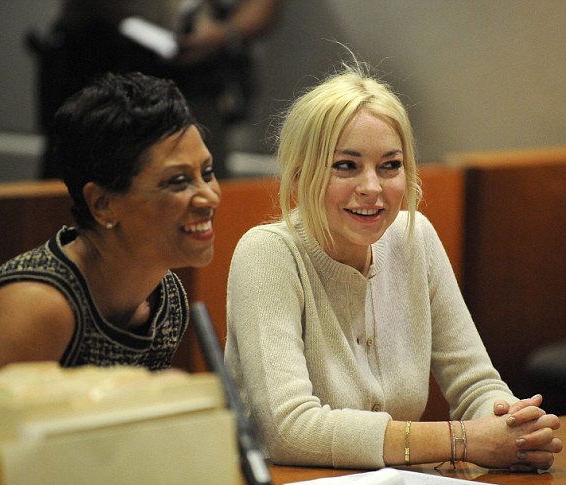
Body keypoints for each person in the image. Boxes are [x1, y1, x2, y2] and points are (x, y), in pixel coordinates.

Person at [224, 61, 562, 471]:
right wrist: (463, 440)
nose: (372, 187)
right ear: (299, 175)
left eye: (390, 165)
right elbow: (288, 429)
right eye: (346, 165)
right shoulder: (267, 254)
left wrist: (515, 430)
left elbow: (475, 384)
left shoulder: (414, 237)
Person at [0, 72, 221, 375]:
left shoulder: (168, 298)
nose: (210, 197)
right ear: (103, 204)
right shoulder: (40, 308)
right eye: (178, 181)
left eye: (207, 173)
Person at [27, 0, 280, 180]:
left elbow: (261, 8)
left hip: (193, 80)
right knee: (80, 191)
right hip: (97, 69)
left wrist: (224, 34)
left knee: (197, 187)